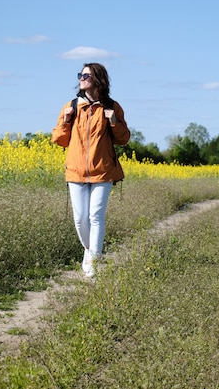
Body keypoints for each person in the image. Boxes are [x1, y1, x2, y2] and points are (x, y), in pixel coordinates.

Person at [51, 63, 131, 277]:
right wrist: (67, 120)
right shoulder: (72, 106)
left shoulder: (112, 106)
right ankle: (89, 252)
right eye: (81, 75)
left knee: (96, 216)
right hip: (76, 170)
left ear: (99, 80)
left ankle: (92, 264)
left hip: (103, 170)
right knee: (80, 218)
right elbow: (59, 140)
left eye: (87, 75)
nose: (82, 78)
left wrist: (113, 121)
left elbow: (123, 139)